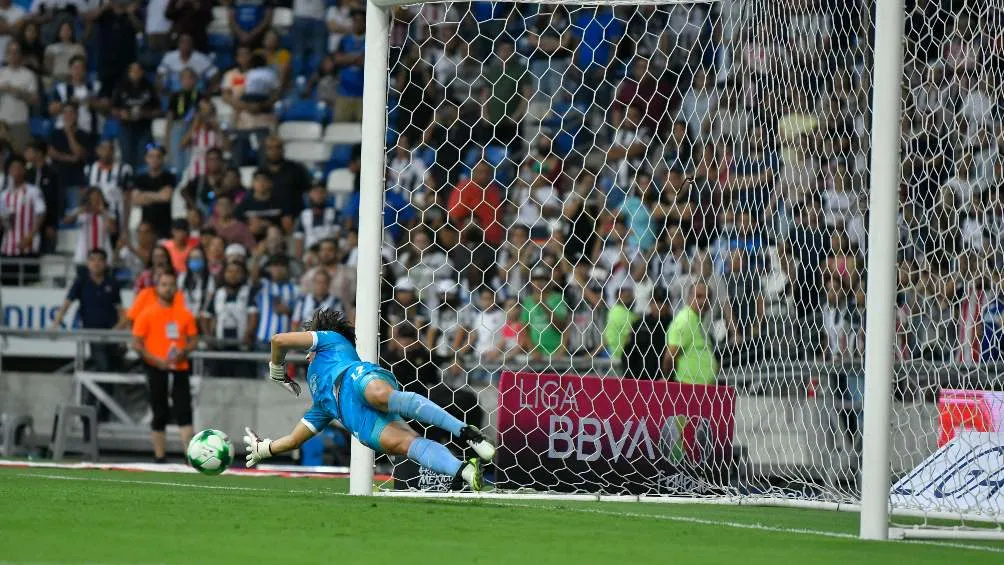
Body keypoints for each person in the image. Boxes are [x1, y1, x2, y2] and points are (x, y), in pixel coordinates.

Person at [242, 309, 495, 491]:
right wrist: (265, 449)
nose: (307, 352)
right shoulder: (320, 403)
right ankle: (464, 471)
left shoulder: (330, 341)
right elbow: (294, 440)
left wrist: (277, 370)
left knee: (381, 395)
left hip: (355, 379)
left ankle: (466, 432)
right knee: (409, 444)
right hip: (361, 423)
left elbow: (279, 340)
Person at [131, 270, 197, 463]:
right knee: (159, 411)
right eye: (164, 285)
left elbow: (194, 340)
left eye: (171, 285)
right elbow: (136, 343)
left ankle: (190, 457)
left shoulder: (184, 314)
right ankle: (159, 457)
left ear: (176, 288)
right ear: (157, 288)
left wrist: (184, 352)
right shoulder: (146, 313)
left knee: (184, 411)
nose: (168, 289)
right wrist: (154, 359)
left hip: (180, 368)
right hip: (156, 368)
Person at [53, 248, 123, 371]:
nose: (96, 263)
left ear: (105, 263)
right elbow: (67, 303)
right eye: (92, 260)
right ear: (87, 263)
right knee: (103, 365)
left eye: (100, 260)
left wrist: (121, 331)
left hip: (112, 331)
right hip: (92, 331)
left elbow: (120, 309)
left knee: (114, 365)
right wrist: (56, 323)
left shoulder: (113, 283)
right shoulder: (81, 282)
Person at [0, 155, 45, 285]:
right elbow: (3, 222)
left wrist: (30, 236)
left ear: (24, 170)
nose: (16, 171)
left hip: (28, 248)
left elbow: (41, 213)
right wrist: (4, 220)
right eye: (13, 168)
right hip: (8, 248)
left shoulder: (33, 191)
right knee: (8, 286)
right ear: (9, 171)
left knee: (29, 285)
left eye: (18, 168)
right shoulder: (3, 195)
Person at [663, 281, 718, 385]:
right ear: (689, 298)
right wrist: (670, 383)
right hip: (686, 386)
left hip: (701, 387)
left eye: (707, 298)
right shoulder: (685, 320)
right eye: (699, 296)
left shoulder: (699, 321)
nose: (703, 301)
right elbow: (670, 357)